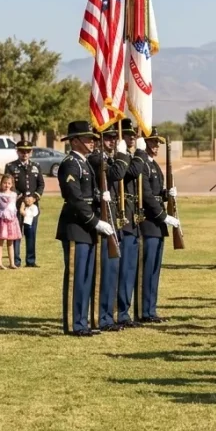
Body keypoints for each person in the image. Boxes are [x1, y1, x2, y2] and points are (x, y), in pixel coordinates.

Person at [58, 120, 116, 336]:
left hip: (87, 227)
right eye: (87, 138)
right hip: (76, 225)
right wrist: (95, 221)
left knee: (87, 276)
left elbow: (90, 193)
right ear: (74, 141)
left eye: (92, 138)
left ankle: (83, 321)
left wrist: (102, 196)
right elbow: (75, 198)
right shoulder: (70, 164)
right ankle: (75, 324)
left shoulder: (85, 164)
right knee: (76, 276)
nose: (92, 142)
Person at [90, 125, 130, 331]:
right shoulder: (97, 158)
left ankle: (108, 316)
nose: (112, 141)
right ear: (98, 140)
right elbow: (117, 174)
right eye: (108, 138)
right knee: (105, 272)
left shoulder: (108, 158)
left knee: (112, 272)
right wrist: (123, 155)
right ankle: (101, 317)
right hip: (102, 217)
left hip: (112, 216)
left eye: (114, 138)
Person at [138, 133, 179, 323]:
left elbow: (155, 193)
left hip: (158, 223)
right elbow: (146, 195)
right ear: (144, 142)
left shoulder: (154, 164)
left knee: (155, 269)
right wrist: (164, 216)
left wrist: (166, 193)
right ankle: (144, 311)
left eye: (157, 143)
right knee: (147, 269)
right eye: (152, 142)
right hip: (149, 222)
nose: (156, 146)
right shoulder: (143, 164)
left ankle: (151, 309)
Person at [116, 119, 148, 327]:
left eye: (133, 136)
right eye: (127, 135)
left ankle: (125, 311)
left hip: (132, 216)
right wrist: (140, 154)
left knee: (130, 268)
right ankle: (119, 311)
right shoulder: (120, 159)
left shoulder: (126, 157)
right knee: (122, 268)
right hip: (123, 218)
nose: (131, 139)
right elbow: (132, 172)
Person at [5, 140, 44, 268]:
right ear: (17, 151)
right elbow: (9, 186)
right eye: (22, 151)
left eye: (27, 151)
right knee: (16, 233)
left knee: (31, 232)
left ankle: (31, 260)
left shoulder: (36, 166)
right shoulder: (11, 166)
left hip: (32, 206)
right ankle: (16, 260)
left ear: (31, 152)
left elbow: (41, 184)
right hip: (17, 205)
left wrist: (34, 198)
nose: (25, 154)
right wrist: (21, 197)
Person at [0, 173, 21, 270]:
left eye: (9, 183)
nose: (6, 185)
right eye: (4, 183)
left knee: (10, 241)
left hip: (11, 220)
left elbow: (13, 206)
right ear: (1, 183)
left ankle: (12, 263)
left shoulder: (14, 194)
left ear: (11, 184)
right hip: (2, 220)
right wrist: (0, 209)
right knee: (0, 241)